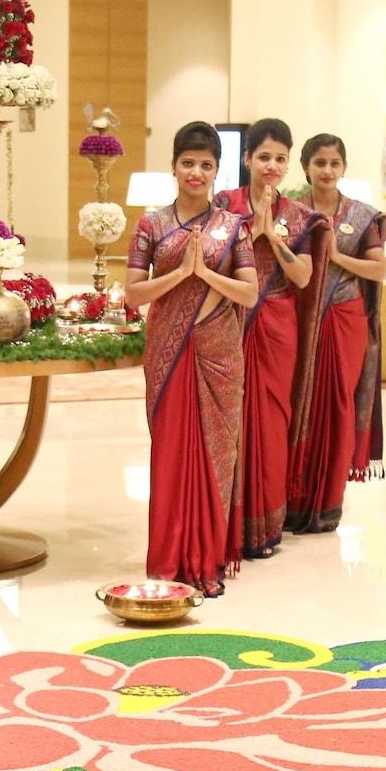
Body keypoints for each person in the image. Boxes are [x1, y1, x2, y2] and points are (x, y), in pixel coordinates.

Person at [125, 120, 260, 598]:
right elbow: (134, 293)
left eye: (206, 165)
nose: (196, 172)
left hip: (219, 354)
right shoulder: (152, 225)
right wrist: (182, 274)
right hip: (169, 353)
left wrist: (205, 273)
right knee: (171, 455)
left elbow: (249, 292)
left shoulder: (232, 227)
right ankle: (166, 562)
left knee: (215, 456)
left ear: (217, 171)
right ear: (174, 168)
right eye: (188, 163)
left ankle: (206, 560)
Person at [213, 119, 329, 560]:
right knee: (231, 419)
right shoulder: (225, 204)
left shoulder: (297, 215)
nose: (272, 165)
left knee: (271, 423)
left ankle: (264, 527)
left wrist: (271, 239)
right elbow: (212, 254)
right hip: (232, 320)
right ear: (246, 159)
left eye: (280, 158)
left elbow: (302, 276)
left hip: (278, 324)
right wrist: (249, 230)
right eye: (264, 156)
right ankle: (225, 525)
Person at [285, 134, 385, 534]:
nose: (327, 171)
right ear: (306, 167)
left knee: (337, 403)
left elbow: (378, 269)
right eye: (319, 163)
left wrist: (338, 257)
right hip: (298, 318)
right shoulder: (290, 213)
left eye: (334, 163)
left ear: (343, 168)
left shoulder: (361, 217)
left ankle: (328, 502)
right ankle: (291, 500)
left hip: (345, 318)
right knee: (298, 401)